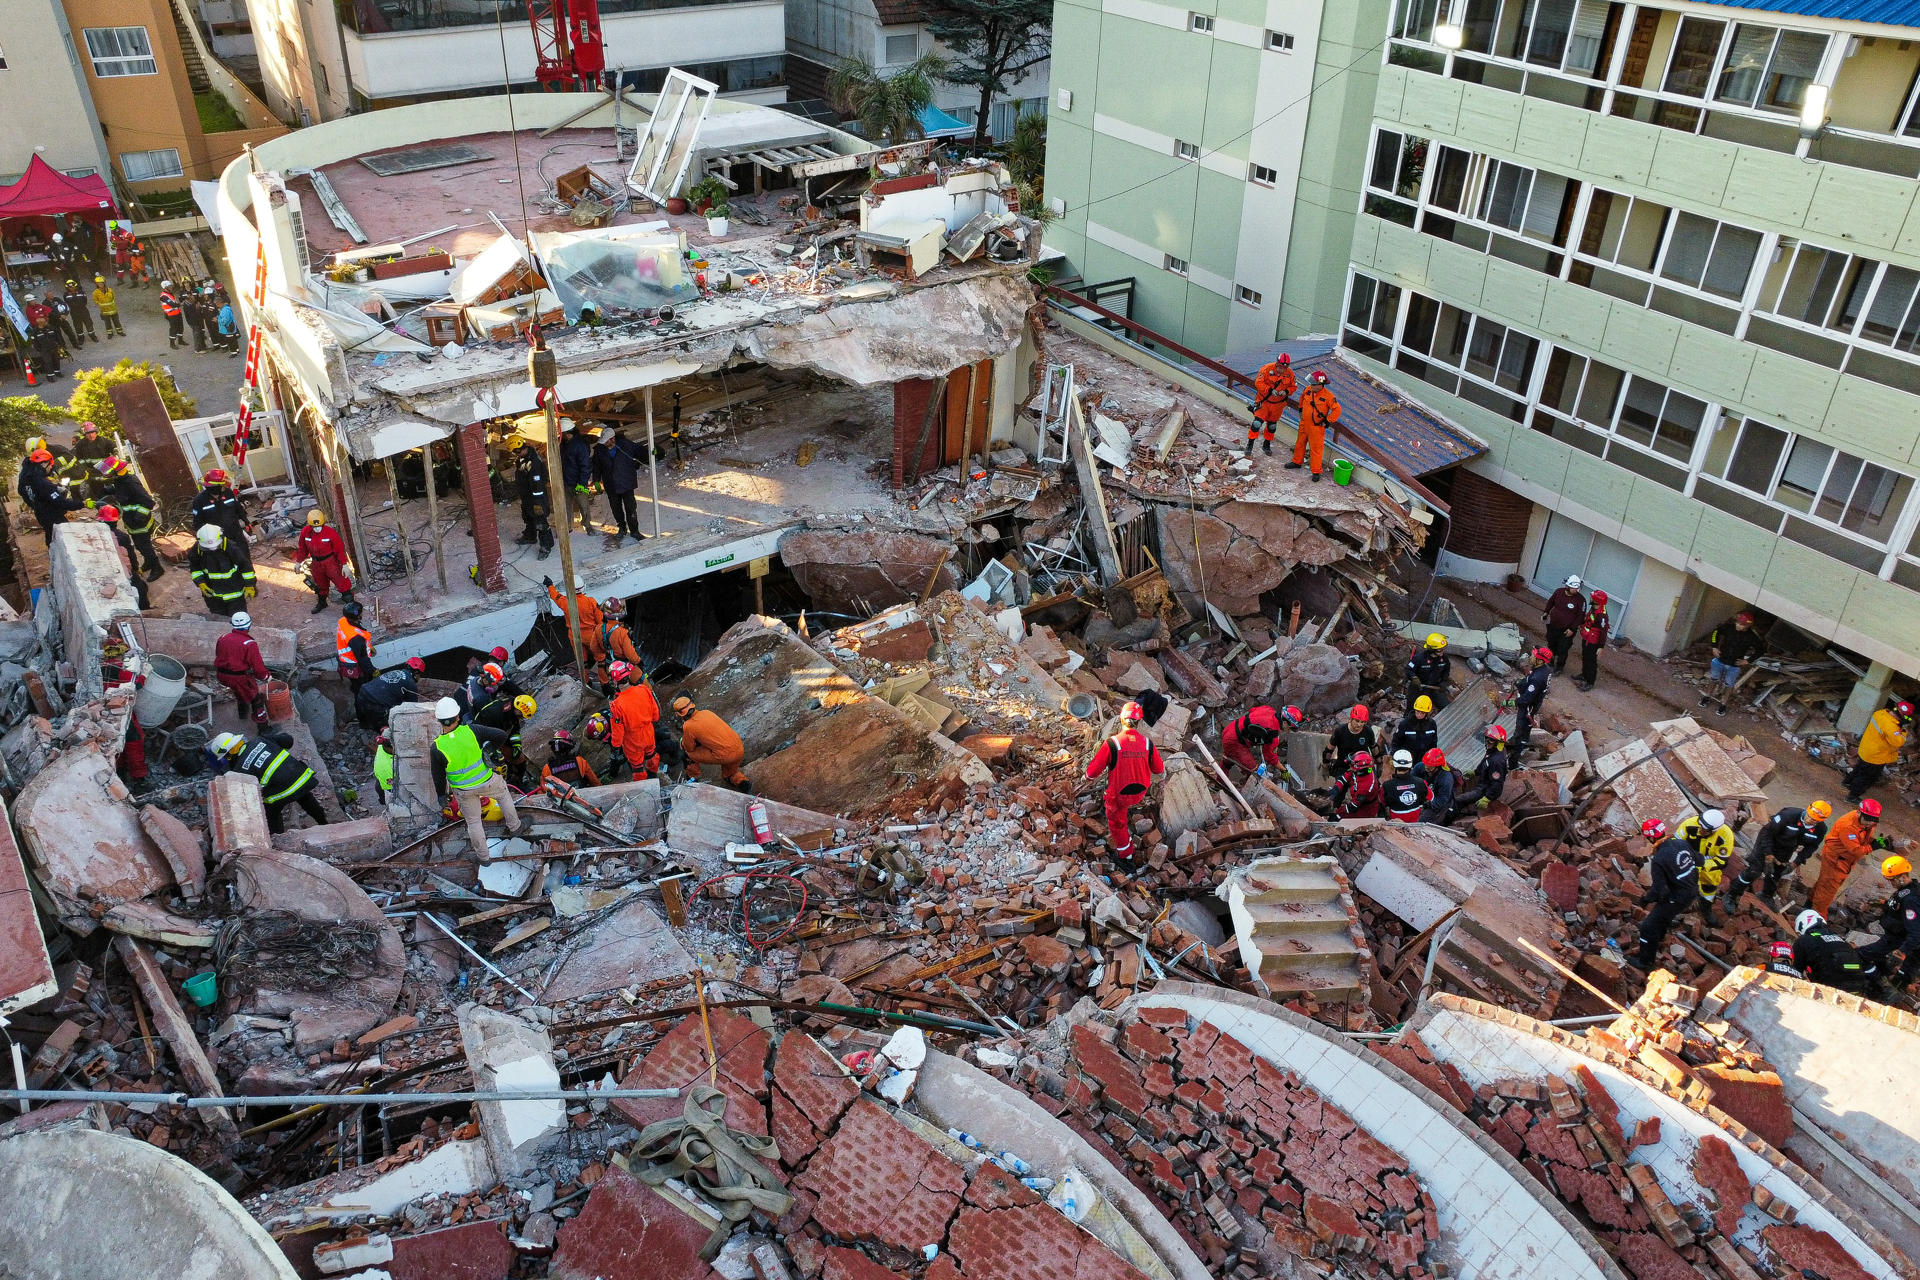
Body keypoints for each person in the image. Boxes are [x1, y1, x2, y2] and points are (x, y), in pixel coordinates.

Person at [430, 697, 526, 862]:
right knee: (503, 794)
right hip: (486, 781)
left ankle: (484, 857)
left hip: (463, 790)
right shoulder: (472, 731)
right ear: (458, 716)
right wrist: (488, 750)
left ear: (439, 721)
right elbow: (501, 735)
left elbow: (438, 776)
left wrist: (441, 795)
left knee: (473, 822)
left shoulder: (437, 747)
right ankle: (515, 827)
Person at [1084, 701, 1165, 861]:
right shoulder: (1148, 743)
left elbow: (1093, 770)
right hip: (1140, 791)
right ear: (1139, 722)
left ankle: (1125, 855)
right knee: (1123, 808)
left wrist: (1087, 777)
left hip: (1120, 794)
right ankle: (1129, 839)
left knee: (1116, 821)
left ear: (1121, 720)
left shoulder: (1113, 743)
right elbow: (1158, 769)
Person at [211, 730, 329, 834]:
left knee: (270, 812)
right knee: (305, 797)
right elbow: (288, 741)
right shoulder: (260, 740)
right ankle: (324, 822)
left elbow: (248, 796)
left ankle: (278, 837)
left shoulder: (239, 771)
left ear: (229, 754)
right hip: (301, 778)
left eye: (225, 757)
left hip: (281, 793)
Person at [1733, 800, 1832, 904]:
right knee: (1754, 870)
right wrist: (1768, 854)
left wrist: (1795, 863)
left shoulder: (1820, 829)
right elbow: (1767, 833)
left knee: (1776, 873)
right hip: (1767, 842)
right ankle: (1733, 893)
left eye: (1814, 820)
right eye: (1809, 816)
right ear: (1807, 810)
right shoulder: (1788, 815)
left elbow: (1811, 847)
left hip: (1786, 849)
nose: (1809, 820)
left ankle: (1766, 896)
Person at [1634, 821, 1695, 971]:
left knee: (1648, 927)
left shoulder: (1659, 859)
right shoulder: (1682, 843)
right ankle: (1660, 934)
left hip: (1679, 896)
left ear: (1650, 838)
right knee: (1664, 910)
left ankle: (1645, 962)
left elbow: (1657, 890)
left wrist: (1644, 900)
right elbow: (1698, 859)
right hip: (1693, 888)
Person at [1811, 799, 1890, 915]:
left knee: (1823, 883)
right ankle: (1817, 916)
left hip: (1845, 860)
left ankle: (1809, 903)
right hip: (1836, 859)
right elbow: (1856, 851)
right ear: (1859, 813)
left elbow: (1863, 838)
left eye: (1873, 821)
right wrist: (1872, 847)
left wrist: (1876, 842)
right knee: (1827, 890)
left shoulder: (1867, 821)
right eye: (1867, 820)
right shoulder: (1847, 826)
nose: (1869, 823)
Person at [1857, 856, 1920, 991]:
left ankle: (1882, 989)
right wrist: (1879, 904)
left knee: (1861, 955)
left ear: (1902, 876)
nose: (1891, 883)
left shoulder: (1910, 899)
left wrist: (1901, 951)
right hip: (1895, 939)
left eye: (1892, 880)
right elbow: (1896, 906)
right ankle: (1882, 984)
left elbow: (1915, 931)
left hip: (1898, 941)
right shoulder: (1906, 890)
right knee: (1885, 965)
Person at [97, 457, 162, 578]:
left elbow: (148, 502)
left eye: (109, 472)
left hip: (140, 523)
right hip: (132, 521)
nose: (107, 475)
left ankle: (157, 568)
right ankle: (149, 562)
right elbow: (122, 492)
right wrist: (110, 490)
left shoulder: (131, 483)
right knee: (139, 545)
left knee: (145, 546)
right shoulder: (120, 481)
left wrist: (139, 517)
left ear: (116, 471)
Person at [1789, 910, 1876, 993]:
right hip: (1858, 987)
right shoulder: (1841, 940)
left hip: (1829, 987)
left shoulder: (1804, 940)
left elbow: (1795, 972)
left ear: (1802, 926)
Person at [672, 696, 751, 789]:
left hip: (724, 755)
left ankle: (693, 779)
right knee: (729, 773)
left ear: (680, 714)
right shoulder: (706, 712)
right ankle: (741, 781)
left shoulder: (688, 726)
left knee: (687, 754)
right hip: (739, 748)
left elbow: (689, 748)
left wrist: (683, 742)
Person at [1845, 699, 1912, 804]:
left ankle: (1847, 782)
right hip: (1876, 756)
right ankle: (1852, 796)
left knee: (1859, 768)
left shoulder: (1880, 713)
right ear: (1903, 716)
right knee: (1867, 777)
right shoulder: (1891, 727)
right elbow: (1898, 742)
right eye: (1907, 717)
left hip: (1866, 748)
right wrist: (1904, 731)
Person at [593, 422, 649, 545]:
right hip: (611, 485)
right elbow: (596, 466)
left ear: (613, 439)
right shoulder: (599, 450)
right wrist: (596, 480)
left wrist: (652, 453)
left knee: (631, 509)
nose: (605, 444)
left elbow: (640, 452)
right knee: (616, 509)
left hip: (626, 482)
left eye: (607, 441)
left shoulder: (625, 445)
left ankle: (635, 531)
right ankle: (622, 528)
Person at [1676, 808, 1734, 925]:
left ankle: (1705, 907)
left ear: (1714, 830)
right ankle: (1677, 906)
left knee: (1710, 887)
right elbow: (1675, 844)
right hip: (1687, 862)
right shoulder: (1689, 824)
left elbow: (1722, 860)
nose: (1700, 830)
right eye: (1700, 826)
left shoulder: (1726, 836)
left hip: (1709, 867)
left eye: (1705, 830)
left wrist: (1702, 864)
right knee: (1680, 884)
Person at [1700, 611, 1762, 717]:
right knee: (1713, 679)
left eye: (1741, 624)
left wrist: (1747, 661)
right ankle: (1706, 696)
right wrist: (1714, 646)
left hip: (1734, 665)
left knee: (1729, 685)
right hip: (1720, 660)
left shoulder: (1751, 637)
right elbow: (1716, 632)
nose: (1738, 625)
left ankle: (1723, 705)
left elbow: (1760, 650)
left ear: (1747, 626)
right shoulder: (1728, 627)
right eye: (1738, 622)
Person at [608, 663, 663, 779]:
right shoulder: (644, 690)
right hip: (648, 733)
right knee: (651, 756)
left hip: (633, 742)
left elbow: (618, 733)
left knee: (637, 767)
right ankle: (654, 775)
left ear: (615, 682)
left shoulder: (616, 705)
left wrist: (615, 747)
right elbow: (656, 716)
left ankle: (643, 786)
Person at [214, 610, 269, 723]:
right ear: (248, 625)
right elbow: (258, 668)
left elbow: (218, 654)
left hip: (221, 675)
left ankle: (243, 714)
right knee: (256, 698)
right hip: (237, 678)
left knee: (240, 693)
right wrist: (266, 676)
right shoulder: (249, 643)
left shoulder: (223, 637)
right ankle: (263, 726)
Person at [191, 470, 253, 570]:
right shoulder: (199, 501)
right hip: (218, 540)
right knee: (227, 564)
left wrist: (246, 522)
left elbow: (238, 509)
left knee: (244, 560)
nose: (224, 486)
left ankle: (250, 584)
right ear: (214, 487)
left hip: (236, 534)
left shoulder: (228, 493)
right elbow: (198, 524)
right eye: (222, 484)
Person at [1221, 704, 1303, 780]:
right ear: (1285, 722)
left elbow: (1252, 710)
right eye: (1290, 728)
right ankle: (1245, 793)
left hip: (1230, 729)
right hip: (1234, 742)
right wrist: (1283, 770)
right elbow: (1269, 757)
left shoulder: (1268, 709)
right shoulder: (1272, 734)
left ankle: (1219, 784)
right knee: (1254, 772)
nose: (1289, 730)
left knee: (1228, 761)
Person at [298, 509, 355, 614]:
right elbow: (302, 549)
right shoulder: (305, 533)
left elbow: (339, 549)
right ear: (310, 525)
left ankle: (351, 606)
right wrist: (298, 562)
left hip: (331, 562)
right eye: (314, 527)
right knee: (321, 585)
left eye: (319, 526)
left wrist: (344, 564)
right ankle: (322, 602)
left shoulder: (330, 533)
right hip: (316, 564)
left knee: (342, 583)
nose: (317, 528)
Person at [188, 524, 254, 615]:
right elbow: (195, 567)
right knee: (219, 620)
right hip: (213, 596)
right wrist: (200, 582)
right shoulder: (196, 550)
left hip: (235, 594)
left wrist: (250, 584)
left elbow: (245, 566)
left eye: (216, 546)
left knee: (238, 619)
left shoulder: (231, 548)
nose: (213, 549)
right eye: (207, 548)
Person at [1287, 369, 1339, 482]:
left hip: (1317, 427)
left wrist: (1328, 420)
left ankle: (1316, 471)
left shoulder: (1329, 397)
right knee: (1300, 443)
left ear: (1321, 385)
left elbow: (1337, 410)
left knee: (1315, 449)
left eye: (1314, 384)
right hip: (1304, 423)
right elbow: (1301, 399)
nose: (1311, 386)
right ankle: (1296, 462)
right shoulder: (1308, 390)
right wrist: (1300, 410)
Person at [20, 449, 84, 541]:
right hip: (53, 517)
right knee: (64, 539)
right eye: (50, 464)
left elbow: (22, 492)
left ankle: (51, 549)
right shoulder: (43, 484)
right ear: (43, 464)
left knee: (49, 534)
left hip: (40, 514)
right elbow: (61, 503)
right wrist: (82, 504)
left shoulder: (25, 477)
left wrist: (35, 505)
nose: (50, 467)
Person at [95, 504, 150, 610]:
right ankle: (144, 609)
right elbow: (131, 555)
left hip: (106, 571)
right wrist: (135, 568)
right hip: (120, 571)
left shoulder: (97, 535)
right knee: (141, 589)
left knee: (141, 587)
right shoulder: (122, 537)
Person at [544, 574, 603, 663]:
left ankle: (584, 676)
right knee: (601, 659)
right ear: (583, 587)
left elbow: (555, 595)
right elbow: (600, 621)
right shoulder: (591, 601)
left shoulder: (565, 602)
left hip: (575, 635)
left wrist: (550, 585)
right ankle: (604, 675)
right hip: (591, 634)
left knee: (582, 661)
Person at [1246, 354, 1294, 457]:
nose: (1282, 370)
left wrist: (1286, 391)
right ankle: (1250, 445)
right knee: (1257, 424)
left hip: (1278, 405)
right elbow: (1258, 382)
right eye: (1280, 367)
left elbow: (1293, 386)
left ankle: (1266, 444)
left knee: (1272, 426)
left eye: (1284, 368)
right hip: (1264, 402)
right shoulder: (1267, 369)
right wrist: (1269, 390)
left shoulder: (1289, 373)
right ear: (1277, 364)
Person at [513, 439, 554, 560]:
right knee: (528, 517)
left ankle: (546, 546)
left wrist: (537, 502)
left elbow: (537, 484)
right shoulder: (523, 459)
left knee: (540, 522)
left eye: (516, 452)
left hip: (536, 498)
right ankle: (530, 536)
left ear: (520, 449)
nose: (516, 454)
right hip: (527, 496)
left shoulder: (534, 462)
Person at [1455, 724, 1512, 811]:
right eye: (1486, 739)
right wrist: (1475, 772)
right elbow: (1484, 763)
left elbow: (1497, 784)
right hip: (1482, 784)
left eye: (1491, 741)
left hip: (1484, 791)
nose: (1487, 742)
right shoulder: (1492, 751)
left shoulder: (1497, 761)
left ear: (1498, 742)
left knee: (1458, 800)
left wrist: (1487, 798)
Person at [357, 657, 423, 730]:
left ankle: (364, 725)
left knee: (366, 710)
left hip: (363, 691)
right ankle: (382, 733)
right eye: (420, 674)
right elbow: (413, 706)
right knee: (390, 724)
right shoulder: (410, 682)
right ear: (416, 672)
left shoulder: (395, 671)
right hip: (375, 701)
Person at [1511, 646, 1553, 752]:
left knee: (1521, 731)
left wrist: (1510, 703)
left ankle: (1515, 756)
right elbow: (1531, 678)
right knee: (1525, 728)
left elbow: (1525, 700)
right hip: (1535, 702)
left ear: (1539, 660)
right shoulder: (1546, 669)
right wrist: (1522, 683)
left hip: (1528, 707)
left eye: (1533, 656)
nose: (1531, 657)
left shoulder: (1537, 679)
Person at [1542, 575, 1586, 674]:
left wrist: (1572, 629)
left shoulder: (1581, 600)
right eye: (1574, 588)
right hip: (1553, 626)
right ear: (1568, 586)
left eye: (1577, 588)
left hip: (1567, 630)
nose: (1576, 590)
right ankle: (1551, 662)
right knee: (1551, 644)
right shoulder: (1558, 592)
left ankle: (1559, 667)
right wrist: (1546, 612)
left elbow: (1580, 616)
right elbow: (1551, 602)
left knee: (1563, 648)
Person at [1322, 705, 1377, 778]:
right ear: (1351, 719)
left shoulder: (1368, 731)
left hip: (1363, 766)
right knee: (1341, 786)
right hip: (1343, 766)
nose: (1359, 724)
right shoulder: (1340, 731)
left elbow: (1374, 748)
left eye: (1362, 722)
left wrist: (1379, 763)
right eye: (1357, 721)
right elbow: (1329, 750)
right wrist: (1325, 766)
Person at [560, 420, 597, 530]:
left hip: (579, 482)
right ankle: (568, 526)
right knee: (566, 506)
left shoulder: (580, 445)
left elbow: (585, 466)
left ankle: (587, 525)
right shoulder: (564, 443)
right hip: (566, 481)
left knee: (583, 504)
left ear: (567, 433)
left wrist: (582, 484)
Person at [336, 601, 375, 693]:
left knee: (355, 683)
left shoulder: (343, 621)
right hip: (354, 665)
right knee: (362, 687)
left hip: (344, 659)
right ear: (358, 616)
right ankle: (361, 701)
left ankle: (354, 688)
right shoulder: (356, 638)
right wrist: (372, 670)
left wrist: (368, 647)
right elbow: (363, 659)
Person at [1405, 633, 1451, 712]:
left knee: (1446, 708)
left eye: (1443, 649)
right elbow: (1408, 669)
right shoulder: (1419, 658)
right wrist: (1414, 678)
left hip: (1434, 688)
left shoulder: (1444, 659)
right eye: (1439, 650)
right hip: (1418, 689)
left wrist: (1444, 682)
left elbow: (1446, 671)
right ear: (1431, 650)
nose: (1442, 652)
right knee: (1413, 711)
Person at [1382, 750, 1431, 823]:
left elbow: (1382, 802)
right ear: (1410, 764)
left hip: (1396, 826)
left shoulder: (1386, 785)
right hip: (1416, 825)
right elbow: (1431, 798)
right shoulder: (1421, 782)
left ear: (1394, 764)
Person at [1330, 750, 1382, 819]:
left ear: (1360, 770)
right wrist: (1336, 789)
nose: (1350, 766)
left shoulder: (1366, 786)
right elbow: (1344, 778)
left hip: (1366, 810)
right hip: (1357, 801)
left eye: (1352, 765)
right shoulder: (1360, 771)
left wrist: (1338, 814)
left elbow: (1353, 807)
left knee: (1338, 818)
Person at [1576, 590, 1610, 692]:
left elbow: (1603, 632)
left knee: (1591, 662)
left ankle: (1590, 681)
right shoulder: (1594, 608)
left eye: (1592, 597)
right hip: (1587, 639)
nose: (1590, 598)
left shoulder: (1602, 616)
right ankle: (1584, 675)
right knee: (1585, 658)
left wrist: (1600, 647)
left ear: (1596, 601)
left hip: (1593, 643)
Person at [598, 597, 644, 672]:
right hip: (623, 666)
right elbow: (630, 653)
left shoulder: (599, 628)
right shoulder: (623, 632)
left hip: (609, 664)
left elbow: (594, 648)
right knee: (640, 680)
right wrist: (639, 662)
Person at [1390, 696, 1440, 762]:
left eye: (1422, 713)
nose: (1419, 715)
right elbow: (1396, 742)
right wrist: (1395, 757)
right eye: (1417, 711)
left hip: (1424, 761)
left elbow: (1433, 743)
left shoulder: (1432, 724)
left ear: (1427, 712)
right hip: (1407, 760)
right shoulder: (1405, 724)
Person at [1419, 748, 1457, 824]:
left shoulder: (1446, 779)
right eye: (1425, 764)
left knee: (1421, 822)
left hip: (1439, 803)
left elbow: (1442, 800)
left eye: (1429, 766)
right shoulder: (1421, 767)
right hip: (1426, 796)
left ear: (1437, 766)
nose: (1426, 768)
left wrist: (1426, 805)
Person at [61, 279, 95, 345]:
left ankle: (92, 336)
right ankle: (81, 338)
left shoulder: (81, 292)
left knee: (89, 323)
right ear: (67, 288)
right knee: (77, 326)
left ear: (75, 286)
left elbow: (85, 301)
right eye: (70, 287)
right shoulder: (66, 295)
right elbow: (66, 302)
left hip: (84, 311)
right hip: (74, 312)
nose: (72, 288)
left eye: (73, 287)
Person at [372, 729, 395, 803]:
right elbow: (392, 788)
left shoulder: (381, 747)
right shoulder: (387, 767)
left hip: (380, 780)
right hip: (387, 785)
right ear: (390, 748)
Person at [159, 281, 184, 348]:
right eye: (170, 286)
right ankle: (172, 344)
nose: (171, 287)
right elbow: (172, 304)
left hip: (177, 313)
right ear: (165, 287)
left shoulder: (170, 293)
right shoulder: (163, 296)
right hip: (171, 315)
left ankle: (180, 340)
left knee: (180, 327)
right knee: (173, 328)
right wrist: (180, 304)